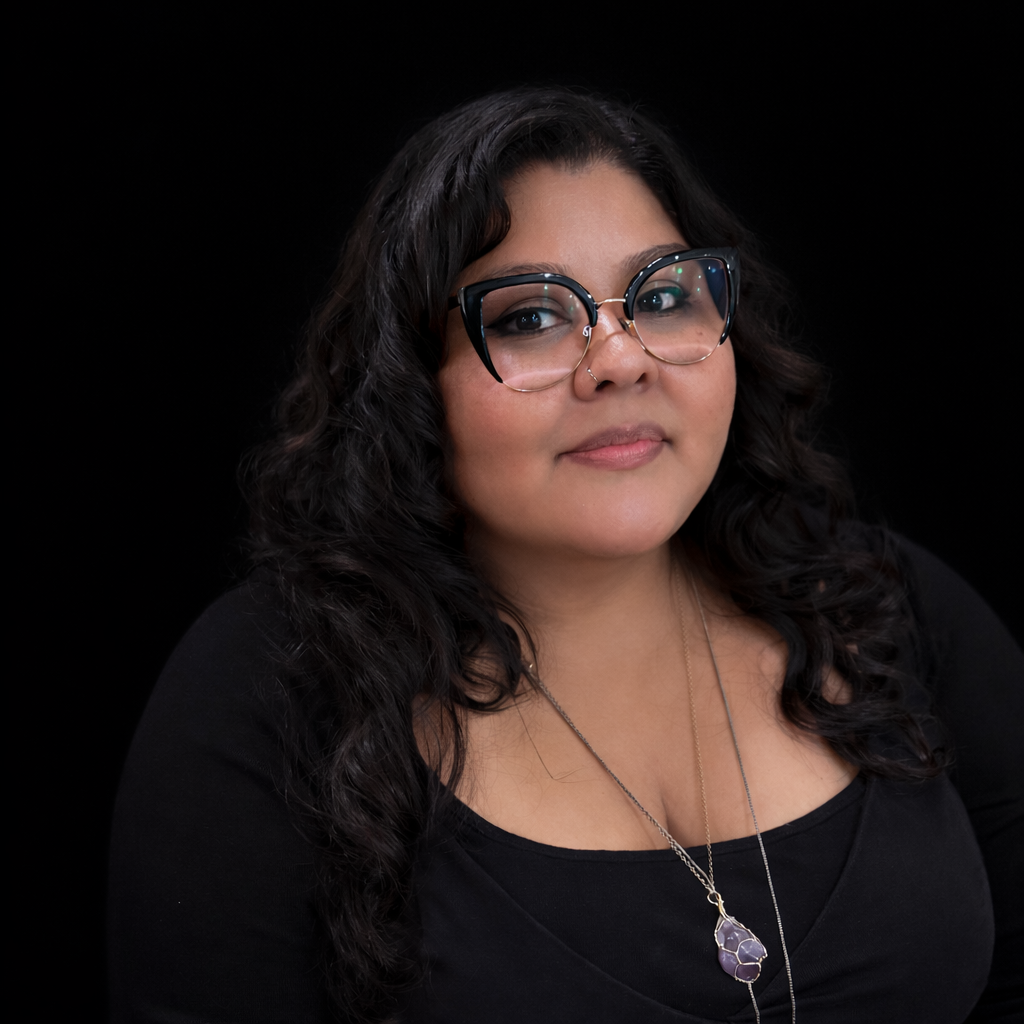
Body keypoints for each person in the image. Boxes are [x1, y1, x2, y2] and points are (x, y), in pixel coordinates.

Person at [108, 89, 1022, 1023]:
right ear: (410, 384)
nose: (621, 360)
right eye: (530, 318)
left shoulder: (885, 603)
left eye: (662, 297)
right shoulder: (268, 691)